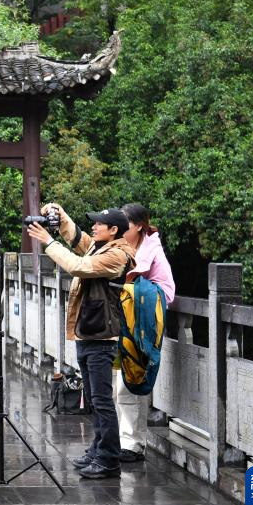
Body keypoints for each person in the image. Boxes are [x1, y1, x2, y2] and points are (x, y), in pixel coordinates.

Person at [27, 205, 135, 479]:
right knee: (94, 401)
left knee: (102, 401)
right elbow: (77, 239)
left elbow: (78, 266)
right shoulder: (99, 247)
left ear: (114, 230)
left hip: (102, 337)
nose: (94, 227)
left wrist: (48, 241)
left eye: (99, 224)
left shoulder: (117, 255)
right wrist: (59, 214)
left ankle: (109, 459)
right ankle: (98, 450)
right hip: (88, 332)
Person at [116, 203, 175, 463]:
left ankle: (133, 443)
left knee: (132, 380)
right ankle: (125, 440)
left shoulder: (150, 247)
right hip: (130, 318)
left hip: (146, 319)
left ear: (139, 226)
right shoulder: (128, 244)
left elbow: (131, 277)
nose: (120, 229)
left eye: (125, 225)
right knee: (121, 383)